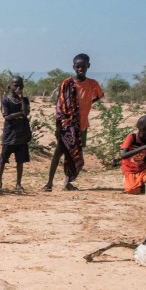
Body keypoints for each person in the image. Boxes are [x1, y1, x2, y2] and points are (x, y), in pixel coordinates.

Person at [44, 53, 104, 191]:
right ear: (73, 67)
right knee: (58, 153)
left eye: (83, 66)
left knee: (74, 155)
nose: (80, 69)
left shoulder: (92, 84)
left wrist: (87, 103)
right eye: (78, 67)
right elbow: (59, 106)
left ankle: (67, 182)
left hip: (81, 126)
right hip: (66, 126)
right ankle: (49, 183)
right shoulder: (66, 83)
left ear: (88, 66)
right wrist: (58, 127)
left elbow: (100, 95)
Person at [0, 76, 31, 191]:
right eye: (15, 85)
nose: (18, 87)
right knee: (3, 159)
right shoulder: (5, 100)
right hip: (9, 133)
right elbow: (7, 117)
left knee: (20, 160)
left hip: (22, 133)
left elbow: (26, 113)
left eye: (20, 85)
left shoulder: (25, 100)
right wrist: (20, 114)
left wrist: (21, 99)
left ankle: (18, 184)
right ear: (10, 86)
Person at [119, 115, 146, 194]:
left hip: (142, 169)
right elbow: (124, 156)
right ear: (144, 129)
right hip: (129, 169)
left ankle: (142, 183)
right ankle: (131, 182)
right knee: (132, 191)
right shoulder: (132, 137)